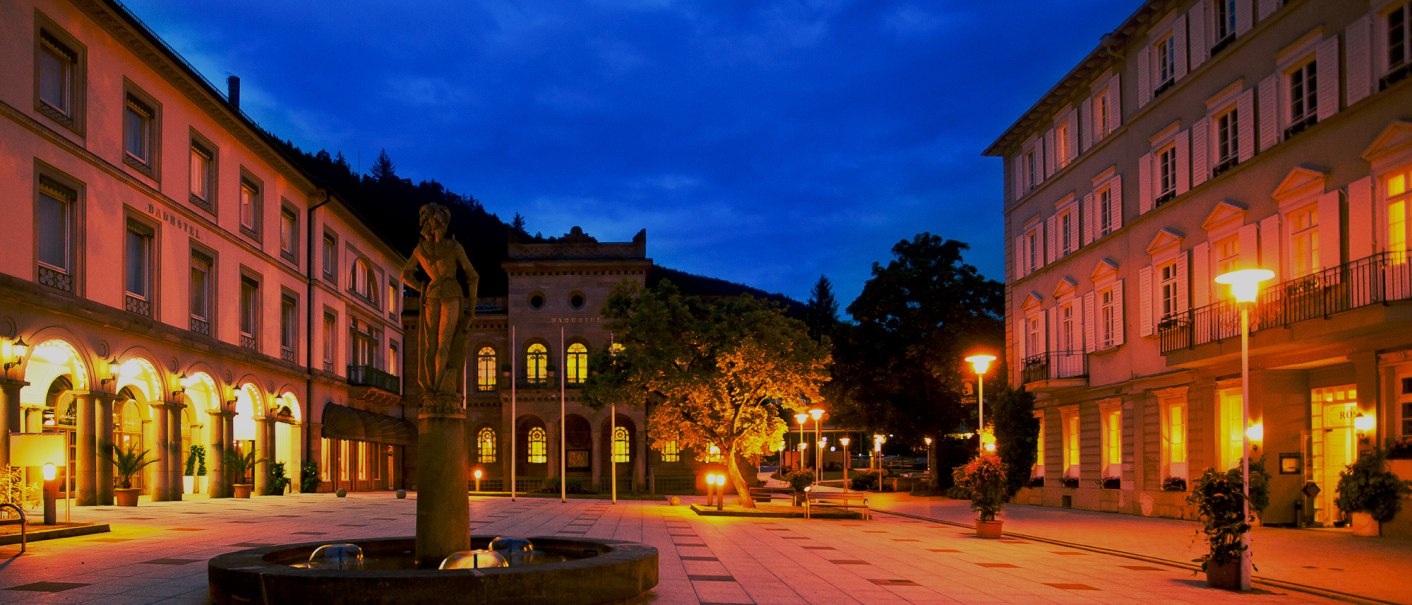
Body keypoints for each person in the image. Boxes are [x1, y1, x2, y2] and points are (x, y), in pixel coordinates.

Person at [401, 203, 478, 394]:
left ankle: (432, 390)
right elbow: (473, 276)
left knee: (430, 346)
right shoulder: (453, 246)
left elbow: (405, 275)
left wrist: (421, 287)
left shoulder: (420, 249)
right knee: (444, 344)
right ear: (442, 225)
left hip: (431, 294)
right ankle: (442, 390)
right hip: (451, 293)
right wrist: (472, 310)